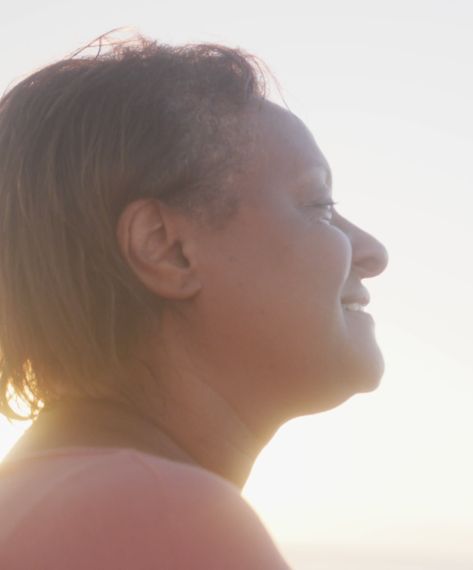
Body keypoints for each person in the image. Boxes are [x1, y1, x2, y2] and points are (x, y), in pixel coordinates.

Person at [0, 37, 388, 568]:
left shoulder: (42, 502)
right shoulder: (160, 519)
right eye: (319, 206)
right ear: (167, 248)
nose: (372, 253)